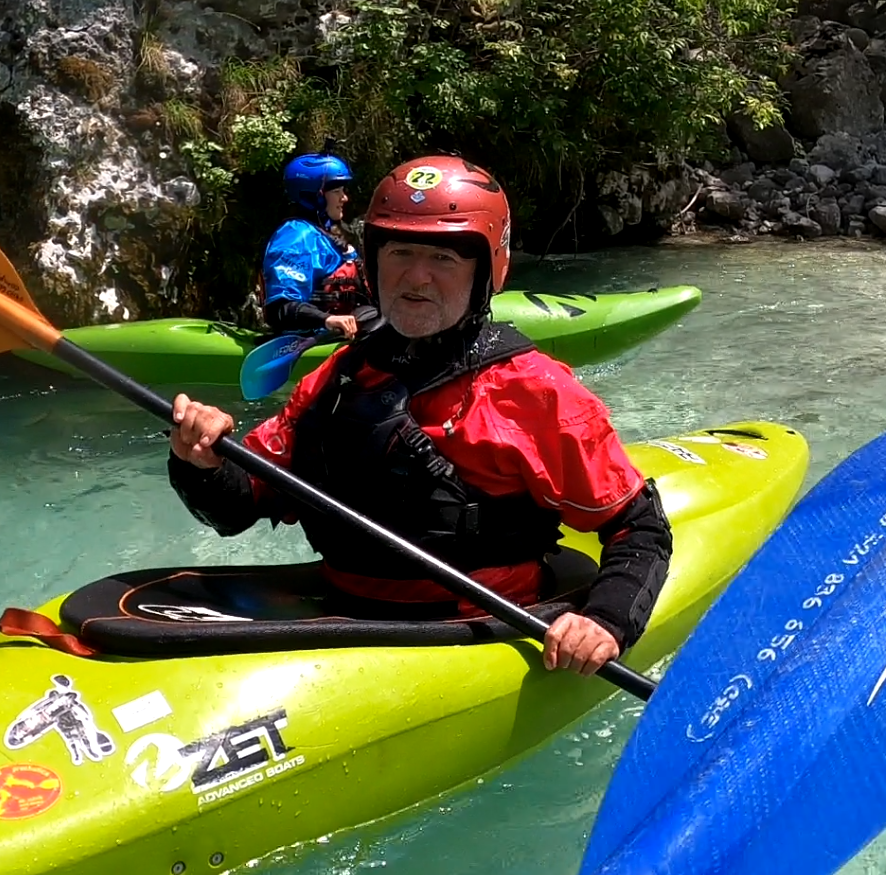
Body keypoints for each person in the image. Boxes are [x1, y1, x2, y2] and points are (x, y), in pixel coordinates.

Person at [170, 155, 670, 676]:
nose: (416, 277)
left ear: (486, 271)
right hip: (344, 620)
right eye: (400, 253)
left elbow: (639, 527)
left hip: (477, 633)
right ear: (373, 261)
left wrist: (606, 621)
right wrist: (199, 460)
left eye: (444, 258)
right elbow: (237, 507)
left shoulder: (536, 392)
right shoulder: (336, 378)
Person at [259, 152, 373, 340]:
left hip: (343, 333)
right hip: (308, 339)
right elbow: (280, 308)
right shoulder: (296, 237)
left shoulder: (332, 234)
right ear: (316, 197)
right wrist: (326, 319)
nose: (344, 198)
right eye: (336, 192)